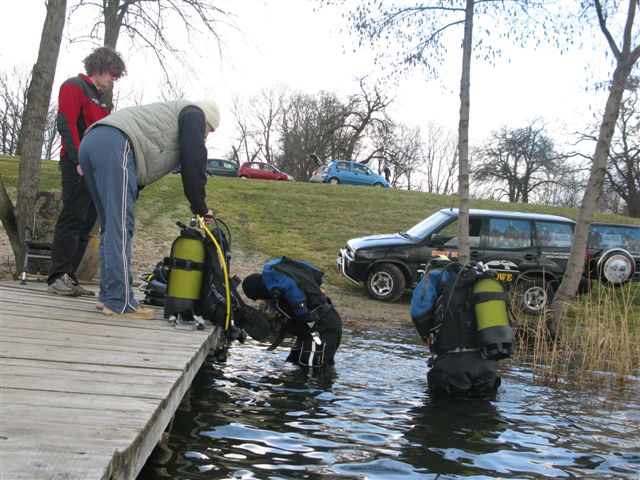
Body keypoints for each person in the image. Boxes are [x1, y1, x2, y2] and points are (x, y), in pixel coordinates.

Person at [78, 98, 220, 319]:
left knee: (111, 226)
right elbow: (194, 163)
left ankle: (108, 296)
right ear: (206, 119)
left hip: (93, 141)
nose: (205, 135)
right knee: (120, 228)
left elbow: (141, 171)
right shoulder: (194, 114)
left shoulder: (172, 118)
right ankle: (120, 302)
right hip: (115, 142)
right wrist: (201, 208)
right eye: (208, 130)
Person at [47, 47, 127, 297]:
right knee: (72, 218)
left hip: (95, 170)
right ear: (101, 67)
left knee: (86, 223)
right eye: (113, 74)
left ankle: (70, 276)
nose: (113, 79)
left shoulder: (100, 98)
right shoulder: (74, 86)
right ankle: (57, 276)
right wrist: (78, 159)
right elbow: (67, 123)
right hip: (76, 165)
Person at [410, 256, 502, 397]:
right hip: (488, 366)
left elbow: (419, 313)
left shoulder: (434, 277)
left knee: (447, 411)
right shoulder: (476, 279)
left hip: (452, 365)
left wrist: (428, 337)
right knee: (483, 411)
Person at [241, 256, 342, 368]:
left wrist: (302, 314)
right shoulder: (283, 277)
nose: (264, 300)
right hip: (313, 329)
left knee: (313, 371)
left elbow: (291, 289)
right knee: (294, 362)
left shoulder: (276, 285)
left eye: (259, 297)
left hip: (323, 328)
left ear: (259, 291)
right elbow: (314, 274)